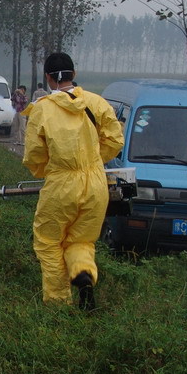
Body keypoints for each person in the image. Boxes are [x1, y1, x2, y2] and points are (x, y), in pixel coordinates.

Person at [22, 52, 124, 311]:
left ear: (47, 77)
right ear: (74, 75)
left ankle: (58, 305)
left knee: (48, 241)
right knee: (82, 240)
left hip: (61, 185)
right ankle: (83, 273)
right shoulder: (97, 103)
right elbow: (115, 140)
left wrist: (51, 171)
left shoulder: (42, 108)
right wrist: (92, 161)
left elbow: (34, 156)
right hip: (96, 184)